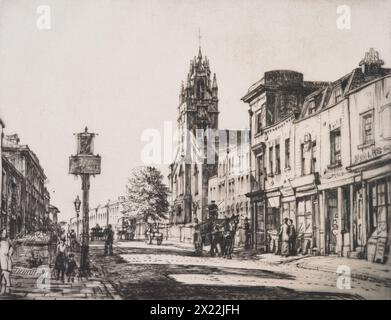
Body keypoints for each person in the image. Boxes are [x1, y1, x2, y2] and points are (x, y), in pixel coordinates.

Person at [0, 229, 14, 294]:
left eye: (5, 233)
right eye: (3, 233)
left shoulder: (8, 240)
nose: (4, 234)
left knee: (6, 272)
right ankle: (6, 286)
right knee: (3, 272)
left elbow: (11, 247)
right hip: (1, 257)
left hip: (7, 258)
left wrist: (10, 252)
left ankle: (6, 287)